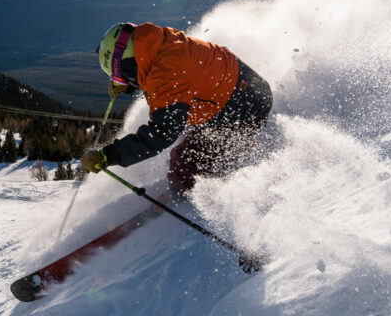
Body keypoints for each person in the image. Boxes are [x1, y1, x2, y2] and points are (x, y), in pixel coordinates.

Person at [81, 22, 272, 194]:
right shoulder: (157, 43)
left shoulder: (166, 74)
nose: (120, 82)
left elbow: (162, 134)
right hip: (241, 90)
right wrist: (128, 83)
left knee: (183, 163)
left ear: (129, 66)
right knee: (185, 137)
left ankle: (191, 197)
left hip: (246, 109)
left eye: (119, 76)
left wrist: (108, 156)